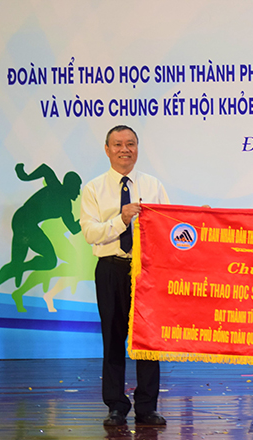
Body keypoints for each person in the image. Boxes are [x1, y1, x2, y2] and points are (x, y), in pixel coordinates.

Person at [80, 125, 169, 427]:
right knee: (113, 338)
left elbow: (170, 227)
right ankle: (116, 405)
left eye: (130, 144)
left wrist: (197, 219)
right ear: (107, 150)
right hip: (111, 269)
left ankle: (147, 405)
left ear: (138, 148)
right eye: (118, 144)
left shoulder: (153, 185)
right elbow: (91, 233)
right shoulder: (93, 188)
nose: (124, 150)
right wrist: (122, 220)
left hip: (146, 271)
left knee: (147, 341)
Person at [0, 163, 82, 310]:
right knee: (49, 260)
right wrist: (24, 176)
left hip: (26, 223)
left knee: (24, 263)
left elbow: (73, 228)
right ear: (70, 185)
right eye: (77, 188)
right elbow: (45, 169)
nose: (78, 192)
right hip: (24, 222)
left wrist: (88, 222)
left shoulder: (66, 207)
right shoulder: (56, 187)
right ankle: (19, 268)